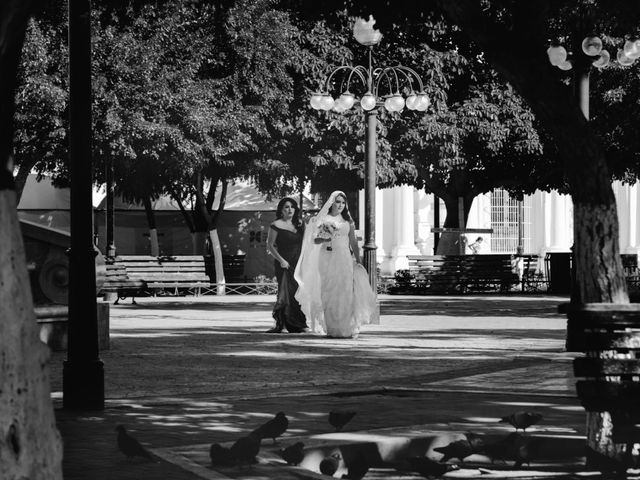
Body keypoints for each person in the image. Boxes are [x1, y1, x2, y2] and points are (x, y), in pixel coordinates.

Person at [294, 191, 377, 338]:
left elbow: (353, 242)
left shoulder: (348, 221)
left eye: (343, 203)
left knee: (345, 291)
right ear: (331, 202)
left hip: (344, 257)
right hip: (326, 257)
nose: (340, 205)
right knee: (328, 291)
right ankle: (332, 328)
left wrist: (358, 260)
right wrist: (325, 237)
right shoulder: (323, 219)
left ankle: (346, 328)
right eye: (337, 202)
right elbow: (315, 240)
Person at [265, 197, 308, 333]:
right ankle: (282, 324)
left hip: (299, 263)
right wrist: (281, 260)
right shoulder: (276, 224)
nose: (290, 210)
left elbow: (307, 243)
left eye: (292, 207)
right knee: (284, 293)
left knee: (298, 293)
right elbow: (270, 245)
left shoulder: (301, 224)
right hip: (284, 263)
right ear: (281, 210)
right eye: (286, 207)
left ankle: (299, 324)